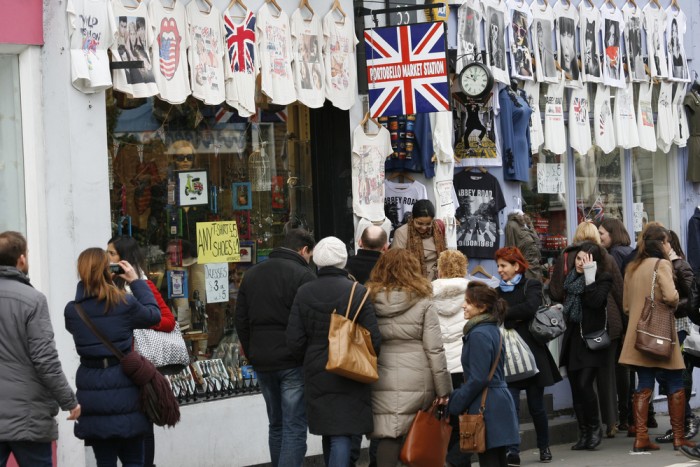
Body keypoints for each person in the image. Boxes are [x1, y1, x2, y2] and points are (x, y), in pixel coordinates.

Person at [287, 237, 381, 467]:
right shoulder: (358, 292)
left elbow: (294, 340)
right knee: (342, 432)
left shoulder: (304, 292)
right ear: (343, 260)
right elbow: (374, 339)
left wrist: (309, 358)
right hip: (350, 367)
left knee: (330, 431)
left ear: (317, 260)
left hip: (317, 368)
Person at [64, 247, 161, 466]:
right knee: (134, 460)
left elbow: (76, 330)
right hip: (125, 385)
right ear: (108, 271)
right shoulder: (124, 304)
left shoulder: (73, 311)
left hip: (92, 391)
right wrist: (136, 281)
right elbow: (154, 315)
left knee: (104, 461)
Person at [235, 229, 316, 467]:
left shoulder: (252, 274)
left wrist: (252, 352)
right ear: (304, 250)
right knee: (294, 426)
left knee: (276, 424)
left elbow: (241, 319)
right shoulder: (304, 276)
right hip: (292, 361)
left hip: (263, 361)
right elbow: (310, 321)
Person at [0, 231, 81, 467]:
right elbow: (45, 360)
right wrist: (70, 401)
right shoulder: (32, 299)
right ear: (22, 259)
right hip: (28, 416)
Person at [366, 249, 452, 466]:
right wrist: (443, 389)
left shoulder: (369, 300)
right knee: (418, 430)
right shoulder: (423, 302)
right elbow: (435, 349)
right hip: (416, 374)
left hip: (380, 372)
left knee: (388, 432)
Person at [619, 225, 694, 452]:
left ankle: (641, 437)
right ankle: (679, 438)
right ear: (662, 243)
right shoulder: (662, 264)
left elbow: (626, 307)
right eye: (668, 241)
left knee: (643, 384)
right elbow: (671, 297)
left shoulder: (632, 267)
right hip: (662, 333)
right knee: (675, 382)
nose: (669, 245)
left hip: (639, 335)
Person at [550, 221, 625, 438]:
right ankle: (597, 427)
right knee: (586, 382)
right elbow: (559, 291)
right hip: (580, 330)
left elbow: (596, 298)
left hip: (597, 329)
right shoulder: (576, 272)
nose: (581, 262)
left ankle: (597, 428)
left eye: (585, 258)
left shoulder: (597, 272)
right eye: (579, 259)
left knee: (589, 380)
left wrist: (589, 277)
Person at [107, 236, 176, 467]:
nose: (107, 259)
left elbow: (167, 321)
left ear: (123, 258)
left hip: (139, 366)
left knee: (143, 424)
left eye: (111, 254)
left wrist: (137, 321)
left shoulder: (142, 284)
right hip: (117, 365)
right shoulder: (107, 285)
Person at [495, 247, 561, 465]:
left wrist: (509, 315)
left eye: (503, 265)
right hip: (509, 356)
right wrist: (515, 316)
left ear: (516, 266)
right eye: (498, 266)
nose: (499, 270)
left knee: (536, 407)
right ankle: (512, 451)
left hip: (532, 354)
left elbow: (531, 307)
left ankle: (544, 447)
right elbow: (497, 314)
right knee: (511, 407)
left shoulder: (530, 285)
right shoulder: (497, 291)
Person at [448, 282, 520, 467]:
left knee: (489, 460)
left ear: (482, 307)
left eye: (468, 302)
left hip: (488, 406)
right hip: (496, 402)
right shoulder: (490, 329)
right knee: (497, 460)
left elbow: (478, 378)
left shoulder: (479, 333)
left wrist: (456, 401)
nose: (463, 306)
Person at [654, 230, 699, 444]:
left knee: (677, 375)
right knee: (664, 375)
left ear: (669, 244)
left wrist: (670, 306)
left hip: (678, 326)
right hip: (663, 327)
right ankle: (680, 422)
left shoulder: (679, 265)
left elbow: (692, 298)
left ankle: (687, 420)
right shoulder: (658, 265)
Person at [432, 250, 470, 467]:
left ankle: (446, 459)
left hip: (440, 366)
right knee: (464, 420)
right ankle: (457, 462)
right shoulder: (472, 293)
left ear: (440, 268)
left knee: (443, 420)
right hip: (464, 364)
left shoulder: (428, 293)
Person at [598, 217, 633, 433]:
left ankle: (625, 416)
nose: (600, 237)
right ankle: (633, 416)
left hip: (619, 319)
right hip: (627, 317)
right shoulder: (628, 250)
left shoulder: (615, 255)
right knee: (629, 369)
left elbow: (619, 288)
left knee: (621, 370)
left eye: (602, 233)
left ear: (613, 234)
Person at [390, 199, 447, 281]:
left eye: (428, 224)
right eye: (419, 223)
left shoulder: (438, 230)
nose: (424, 228)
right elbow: (396, 263)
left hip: (438, 283)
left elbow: (445, 255)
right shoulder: (402, 233)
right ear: (412, 218)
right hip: (411, 283)